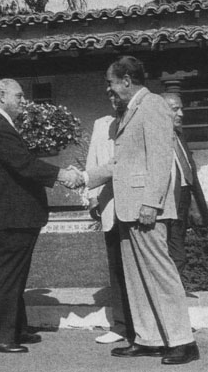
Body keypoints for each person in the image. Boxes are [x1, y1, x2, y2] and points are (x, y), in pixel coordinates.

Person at [84, 56, 199, 365]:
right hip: (127, 208)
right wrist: (85, 177)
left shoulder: (153, 106)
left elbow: (161, 159)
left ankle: (183, 341)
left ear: (126, 80)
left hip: (146, 208)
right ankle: (148, 338)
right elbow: (122, 163)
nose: (108, 89)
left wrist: (151, 202)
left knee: (161, 274)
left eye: (110, 82)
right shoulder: (129, 111)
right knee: (136, 277)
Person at [0, 78, 82, 353]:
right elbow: (22, 164)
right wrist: (61, 175)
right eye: (19, 96)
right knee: (6, 277)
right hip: (7, 217)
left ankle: (15, 329)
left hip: (10, 216)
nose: (24, 101)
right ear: (1, 96)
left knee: (14, 276)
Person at [86, 97, 134, 345]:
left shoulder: (140, 121)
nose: (116, 100)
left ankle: (145, 325)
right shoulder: (101, 125)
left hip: (137, 207)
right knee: (117, 267)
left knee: (138, 269)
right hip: (111, 207)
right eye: (111, 96)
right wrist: (93, 198)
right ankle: (122, 325)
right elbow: (93, 160)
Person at [162, 92, 208, 282]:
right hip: (165, 202)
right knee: (175, 255)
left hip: (183, 198)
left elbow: (188, 168)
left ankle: (170, 292)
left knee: (178, 251)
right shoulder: (154, 138)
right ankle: (167, 293)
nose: (181, 114)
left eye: (181, 108)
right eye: (175, 109)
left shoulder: (179, 135)